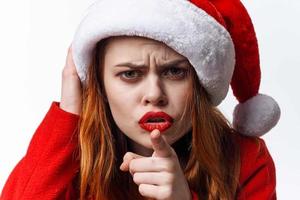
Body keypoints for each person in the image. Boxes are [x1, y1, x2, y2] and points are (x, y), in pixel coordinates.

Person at [1, 0, 281, 199]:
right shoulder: (72, 159)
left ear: (199, 82)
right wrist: (69, 111)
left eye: (174, 71)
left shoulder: (246, 160)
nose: (154, 94)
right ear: (100, 86)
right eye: (130, 74)